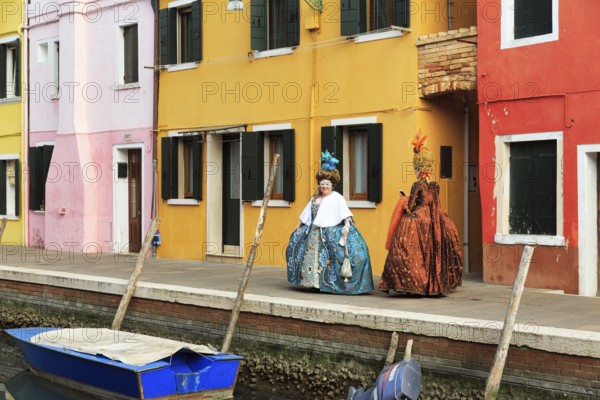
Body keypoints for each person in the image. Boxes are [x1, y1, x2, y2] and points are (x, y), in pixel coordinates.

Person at [379, 134, 463, 296]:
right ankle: (433, 284)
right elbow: (435, 203)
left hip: (419, 216)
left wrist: (403, 201)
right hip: (434, 218)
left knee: (403, 239)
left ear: (417, 169)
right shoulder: (435, 185)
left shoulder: (417, 184)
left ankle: (411, 282)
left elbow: (411, 206)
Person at [286, 151, 374, 295]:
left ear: (332, 185)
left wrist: (346, 225)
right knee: (300, 251)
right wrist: (299, 224)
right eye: (322, 184)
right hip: (313, 233)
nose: (324, 186)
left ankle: (328, 284)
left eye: (327, 184)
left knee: (337, 257)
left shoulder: (337, 198)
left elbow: (345, 213)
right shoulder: (315, 198)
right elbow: (307, 213)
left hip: (330, 232)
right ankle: (313, 282)